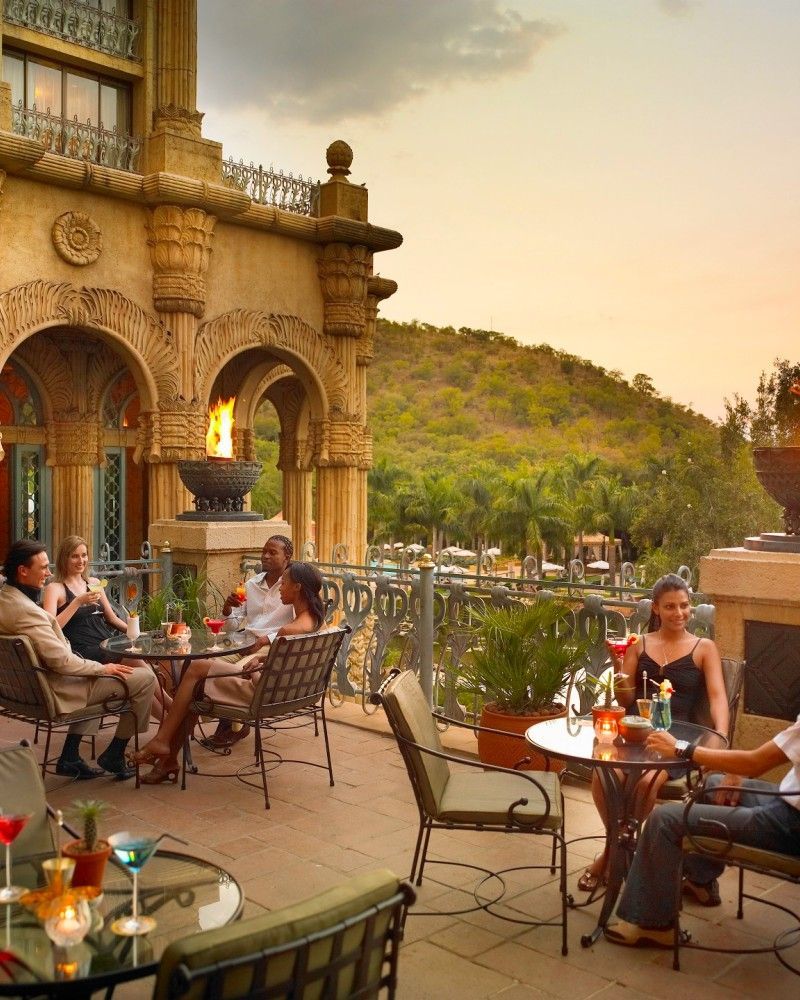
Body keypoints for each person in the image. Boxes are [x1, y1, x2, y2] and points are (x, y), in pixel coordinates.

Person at [578, 573, 730, 893]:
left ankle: (611, 856)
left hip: (676, 737)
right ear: (657, 609)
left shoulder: (704, 648)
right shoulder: (639, 644)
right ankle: (618, 849)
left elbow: (719, 699)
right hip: (634, 732)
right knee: (605, 776)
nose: (680, 613)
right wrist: (619, 664)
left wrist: (721, 740)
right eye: (671, 606)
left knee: (647, 780)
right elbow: (624, 700)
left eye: (685, 605)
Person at [604, 717, 800, 947]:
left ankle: (652, 924)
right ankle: (700, 879)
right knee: (714, 785)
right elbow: (764, 757)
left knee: (665, 819)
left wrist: (682, 748)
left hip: (789, 824)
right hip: (788, 802)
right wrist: (736, 768)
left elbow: (756, 762)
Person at [131, 561, 326, 785]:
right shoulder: (316, 622)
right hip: (287, 693)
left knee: (196, 669)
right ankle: (166, 759)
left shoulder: (289, 630)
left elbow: (265, 677)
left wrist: (252, 668)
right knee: (196, 685)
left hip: (260, 694)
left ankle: (163, 743)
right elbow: (288, 665)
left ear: (298, 587)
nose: (280, 587)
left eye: (284, 583)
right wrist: (262, 659)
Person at [0, 540, 156, 780]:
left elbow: (111, 619)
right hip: (57, 688)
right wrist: (103, 670)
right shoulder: (29, 611)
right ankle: (115, 754)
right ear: (22, 571)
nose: (48, 573)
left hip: (24, 689)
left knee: (107, 669)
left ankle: (70, 756)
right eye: (43, 568)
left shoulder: (6, 600)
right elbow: (62, 662)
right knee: (144, 678)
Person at [42, 535, 171, 723]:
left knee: (137, 674)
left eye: (84, 555)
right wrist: (77, 602)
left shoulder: (94, 584)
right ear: (64, 558)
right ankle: (173, 709)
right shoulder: (55, 588)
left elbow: (111, 618)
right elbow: (51, 627)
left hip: (105, 644)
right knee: (130, 656)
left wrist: (138, 633)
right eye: (75, 556)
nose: (81, 561)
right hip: (82, 651)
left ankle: (169, 723)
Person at [202, 534, 294, 748]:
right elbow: (233, 625)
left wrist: (266, 640)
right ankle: (214, 713)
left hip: (270, 647)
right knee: (207, 664)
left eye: (273, 552)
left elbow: (301, 625)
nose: (265, 556)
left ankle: (233, 725)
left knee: (230, 671)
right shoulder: (252, 584)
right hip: (243, 642)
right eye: (264, 551)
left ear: (287, 557)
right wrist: (227, 609)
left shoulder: (292, 587)